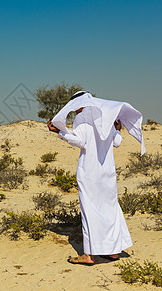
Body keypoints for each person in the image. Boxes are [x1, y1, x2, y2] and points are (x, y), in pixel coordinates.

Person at [47, 91, 145, 265]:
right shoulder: (106, 116)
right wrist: (118, 130)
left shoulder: (82, 118)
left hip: (89, 172)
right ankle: (113, 252)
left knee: (90, 211)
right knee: (110, 209)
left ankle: (88, 255)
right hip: (107, 173)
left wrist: (60, 132)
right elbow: (117, 143)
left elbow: (80, 142)